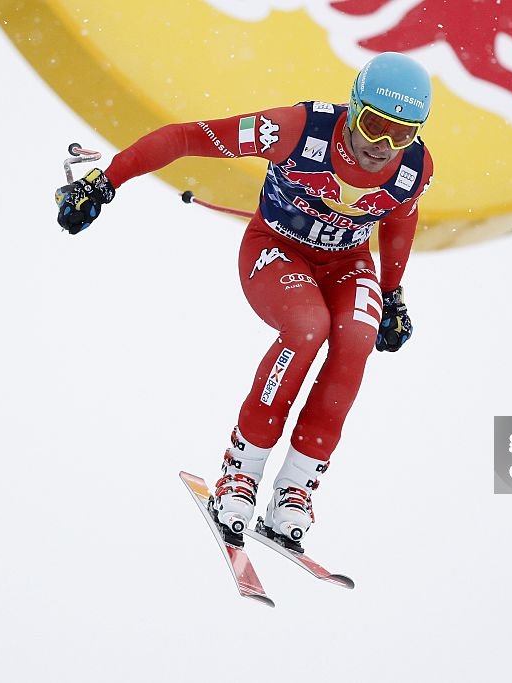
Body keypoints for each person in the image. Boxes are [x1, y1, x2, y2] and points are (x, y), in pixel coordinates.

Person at [55, 52, 434, 548]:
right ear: (353, 108)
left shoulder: (414, 166)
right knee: (308, 328)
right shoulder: (298, 130)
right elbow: (187, 136)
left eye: (401, 134)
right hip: (275, 249)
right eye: (374, 125)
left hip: (347, 263)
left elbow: (401, 217)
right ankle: (242, 470)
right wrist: (105, 182)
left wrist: (392, 293)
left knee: (357, 337)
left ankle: (295, 487)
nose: (382, 146)